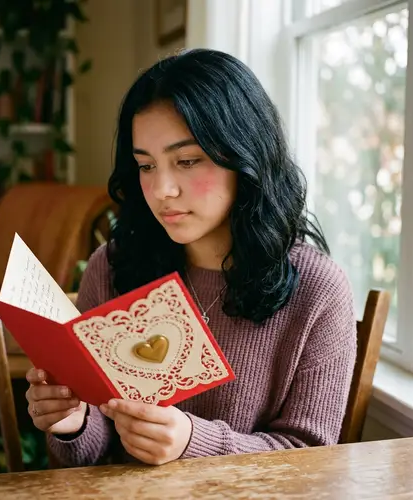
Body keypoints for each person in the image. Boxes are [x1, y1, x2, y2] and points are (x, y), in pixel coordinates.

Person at [25, 48, 357, 467]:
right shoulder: (110, 267)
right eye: (145, 166)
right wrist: (73, 420)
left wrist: (193, 442)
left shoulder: (317, 289)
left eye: (186, 161)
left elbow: (313, 460)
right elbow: (93, 456)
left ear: (246, 158)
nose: (162, 189)